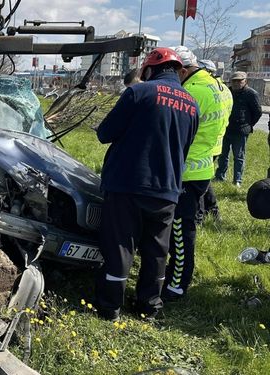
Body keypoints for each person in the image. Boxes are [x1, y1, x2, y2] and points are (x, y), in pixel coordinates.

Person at [94, 47, 199, 320]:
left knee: (120, 245)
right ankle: (149, 306)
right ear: (179, 71)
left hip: (128, 184)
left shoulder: (138, 92)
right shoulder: (191, 104)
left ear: (149, 70)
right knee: (156, 251)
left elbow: (105, 134)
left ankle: (110, 307)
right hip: (168, 188)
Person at [162, 47, 233, 301]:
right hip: (205, 166)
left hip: (187, 169)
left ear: (184, 70)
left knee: (180, 231)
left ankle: (177, 284)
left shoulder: (191, 93)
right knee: (183, 227)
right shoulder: (221, 88)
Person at [196, 59, 233, 223]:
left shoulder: (205, 90)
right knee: (205, 181)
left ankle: (201, 214)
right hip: (216, 141)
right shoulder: (224, 89)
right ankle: (213, 211)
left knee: (198, 183)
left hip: (204, 142)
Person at [215, 71, 263, 187]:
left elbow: (258, 112)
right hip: (226, 128)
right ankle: (220, 176)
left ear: (245, 81)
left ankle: (237, 180)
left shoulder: (251, 94)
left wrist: (248, 124)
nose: (236, 83)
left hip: (241, 130)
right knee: (222, 154)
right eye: (234, 81)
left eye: (239, 81)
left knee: (239, 156)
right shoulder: (227, 91)